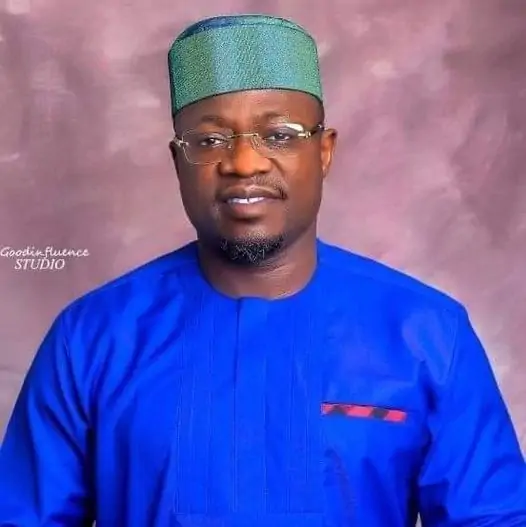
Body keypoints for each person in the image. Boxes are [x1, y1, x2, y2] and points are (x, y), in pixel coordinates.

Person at [0, 13, 525, 527]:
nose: (244, 163)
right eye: (209, 141)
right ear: (178, 162)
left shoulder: (427, 333)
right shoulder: (92, 338)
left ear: (323, 152)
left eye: (279, 135)